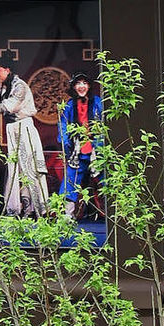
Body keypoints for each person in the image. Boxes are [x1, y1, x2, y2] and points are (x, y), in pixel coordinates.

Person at [0, 52, 49, 216]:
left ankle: (40, 210)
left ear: (7, 70)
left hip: (23, 128)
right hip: (12, 129)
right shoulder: (5, 88)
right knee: (15, 168)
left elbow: (12, 105)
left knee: (29, 168)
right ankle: (23, 208)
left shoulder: (20, 86)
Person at [57, 72, 103, 221]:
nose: (81, 86)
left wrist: (101, 142)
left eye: (84, 83)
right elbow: (63, 124)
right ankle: (67, 214)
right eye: (78, 83)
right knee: (71, 179)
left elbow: (105, 123)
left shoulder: (98, 102)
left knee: (105, 180)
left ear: (89, 86)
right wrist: (65, 141)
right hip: (78, 149)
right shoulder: (70, 105)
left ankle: (115, 211)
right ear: (74, 86)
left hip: (96, 148)